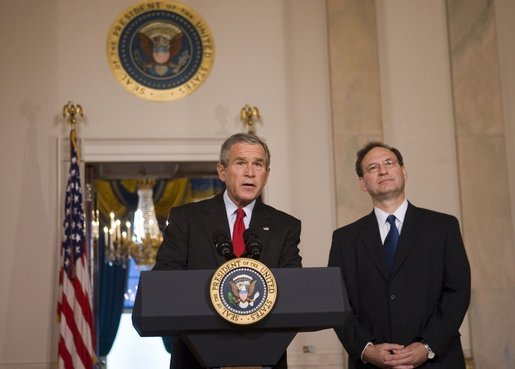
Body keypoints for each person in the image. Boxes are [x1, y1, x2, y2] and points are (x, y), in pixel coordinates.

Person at [153, 132, 302, 369]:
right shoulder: (186, 219)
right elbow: (164, 282)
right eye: (241, 163)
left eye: (258, 164)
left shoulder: (285, 226)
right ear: (222, 172)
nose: (250, 172)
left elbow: (294, 289)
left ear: (267, 174)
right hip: (196, 358)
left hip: (264, 357)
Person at [328, 141, 471, 369]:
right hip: (372, 364)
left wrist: (427, 346)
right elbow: (337, 304)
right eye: (372, 168)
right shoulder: (344, 239)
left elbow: (458, 291)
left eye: (389, 163)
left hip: (438, 360)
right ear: (363, 183)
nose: (383, 170)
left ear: (403, 172)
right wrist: (367, 349)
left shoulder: (443, 227)